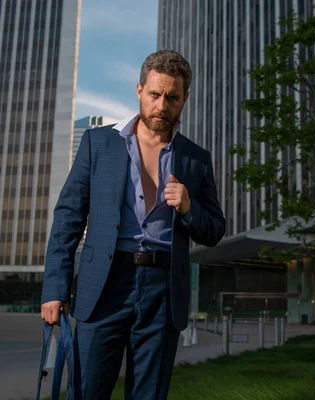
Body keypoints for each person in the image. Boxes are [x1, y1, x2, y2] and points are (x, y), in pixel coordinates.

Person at [41, 50, 226, 399]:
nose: (162, 105)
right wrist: (55, 288)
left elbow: (215, 229)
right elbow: (68, 216)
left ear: (184, 98)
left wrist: (188, 207)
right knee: (87, 391)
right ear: (139, 90)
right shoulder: (99, 144)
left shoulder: (195, 159)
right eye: (154, 94)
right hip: (105, 286)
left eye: (172, 97)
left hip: (163, 289)